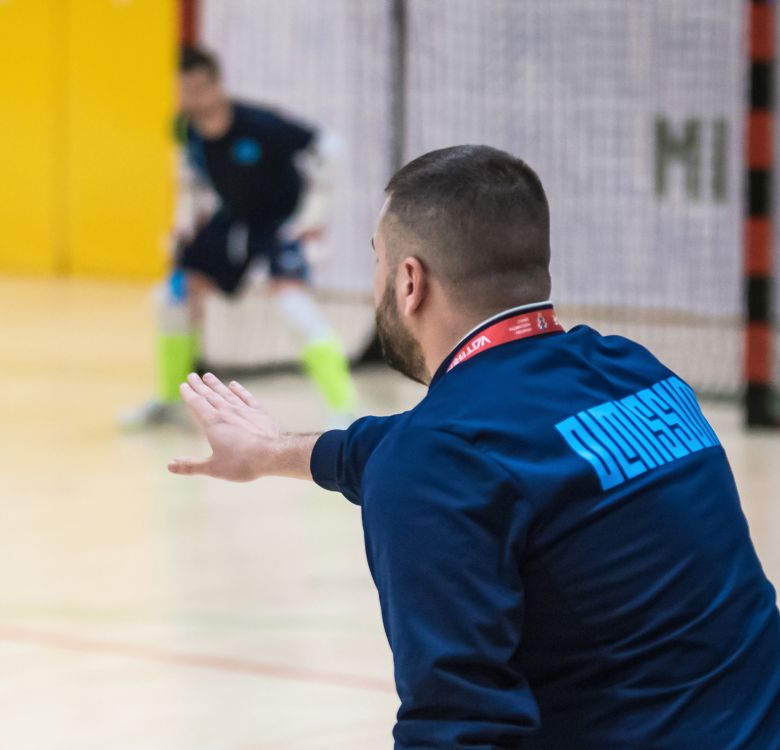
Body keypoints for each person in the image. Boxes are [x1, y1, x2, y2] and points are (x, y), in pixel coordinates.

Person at [168, 145, 780, 747]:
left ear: (410, 281)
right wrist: (271, 450)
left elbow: (456, 729)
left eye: (378, 258)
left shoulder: (436, 458)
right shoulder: (634, 371)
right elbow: (444, 450)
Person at [123, 45, 358, 428]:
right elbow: (187, 178)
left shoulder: (261, 124)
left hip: (280, 225)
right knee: (173, 297)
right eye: (183, 90)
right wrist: (182, 224)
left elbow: (329, 146)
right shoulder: (184, 128)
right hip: (232, 222)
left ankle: (344, 410)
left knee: (294, 307)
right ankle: (167, 402)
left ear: (217, 86)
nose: (191, 98)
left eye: (198, 88)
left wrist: (314, 217)